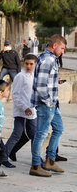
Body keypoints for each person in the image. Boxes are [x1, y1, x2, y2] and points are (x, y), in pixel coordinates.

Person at [29, 35, 66, 177]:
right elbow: (40, 85)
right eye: (62, 48)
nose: (63, 51)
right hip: (46, 104)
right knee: (41, 134)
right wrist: (49, 101)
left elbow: (47, 80)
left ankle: (50, 160)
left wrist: (57, 81)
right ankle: (35, 165)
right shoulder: (48, 59)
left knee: (58, 129)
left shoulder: (50, 58)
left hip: (52, 104)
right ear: (55, 45)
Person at [0, 54, 37, 172]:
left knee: (32, 135)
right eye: (27, 63)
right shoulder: (20, 76)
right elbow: (16, 95)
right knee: (17, 134)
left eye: (31, 64)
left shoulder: (35, 75)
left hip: (32, 112)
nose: (28, 66)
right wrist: (24, 107)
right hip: (22, 112)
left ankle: (35, 159)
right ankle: (3, 157)